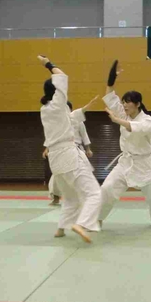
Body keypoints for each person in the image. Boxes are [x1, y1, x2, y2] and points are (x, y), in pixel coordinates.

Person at [37, 55, 101, 242]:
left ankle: (61, 229)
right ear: (56, 90)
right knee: (94, 193)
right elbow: (62, 75)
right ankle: (82, 224)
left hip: (55, 160)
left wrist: (87, 107)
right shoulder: (59, 104)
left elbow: (73, 117)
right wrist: (47, 63)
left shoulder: (45, 110)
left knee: (71, 198)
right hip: (68, 154)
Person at [100, 60, 151, 228]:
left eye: (127, 102)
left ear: (137, 104)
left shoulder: (147, 120)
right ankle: (96, 219)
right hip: (126, 162)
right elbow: (110, 96)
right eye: (123, 102)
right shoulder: (123, 113)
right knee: (107, 188)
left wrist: (116, 120)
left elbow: (134, 128)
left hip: (144, 164)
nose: (124, 105)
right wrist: (112, 77)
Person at [44, 97, 98, 206]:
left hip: (76, 149)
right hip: (61, 151)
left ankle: (87, 195)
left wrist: (88, 149)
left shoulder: (77, 120)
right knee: (57, 174)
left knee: (83, 171)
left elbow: (84, 136)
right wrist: (47, 149)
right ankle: (56, 197)